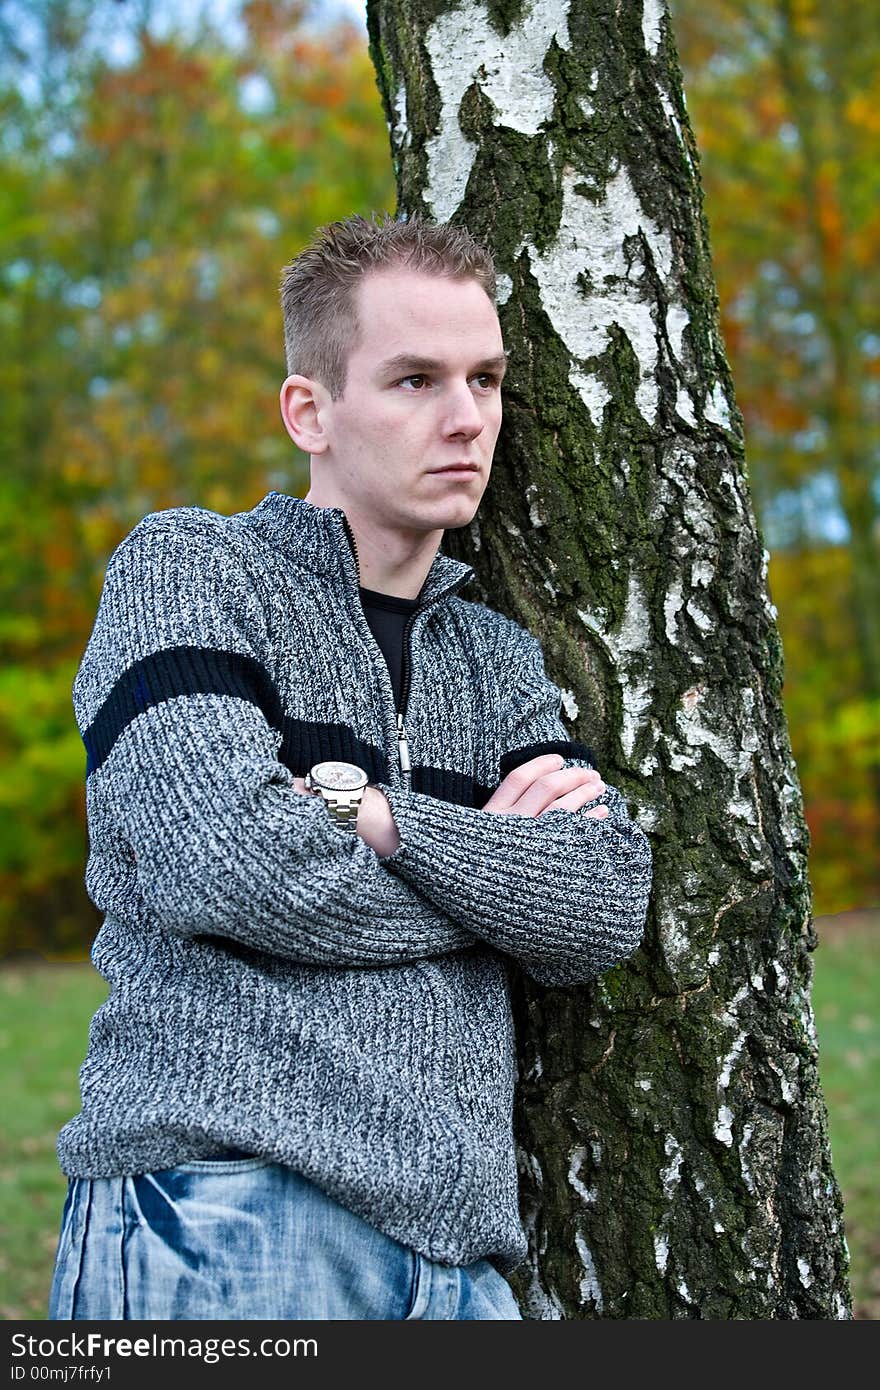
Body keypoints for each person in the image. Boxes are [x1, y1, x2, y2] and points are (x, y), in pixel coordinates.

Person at [47, 211, 653, 1321]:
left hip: (462, 1267)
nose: (468, 419)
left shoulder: (493, 654)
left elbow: (601, 903)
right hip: (223, 1218)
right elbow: (226, 862)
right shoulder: (190, 571)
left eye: (486, 379)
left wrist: (376, 816)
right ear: (309, 410)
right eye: (416, 380)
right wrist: (495, 881)